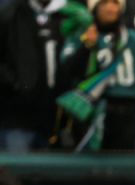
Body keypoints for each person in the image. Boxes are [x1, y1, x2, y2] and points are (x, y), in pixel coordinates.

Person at [57, 0, 135, 151]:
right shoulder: (81, 35)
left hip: (128, 112)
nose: (110, 8)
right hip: (91, 109)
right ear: (95, 8)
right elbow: (67, 71)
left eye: (115, 3)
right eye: (104, 3)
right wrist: (86, 47)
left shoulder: (133, 38)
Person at [0, 0, 91, 151]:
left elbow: (77, 63)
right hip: (19, 116)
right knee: (18, 170)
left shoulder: (73, 15)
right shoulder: (10, 13)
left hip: (59, 116)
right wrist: (16, 85)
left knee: (55, 171)